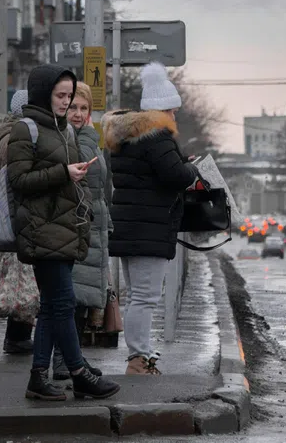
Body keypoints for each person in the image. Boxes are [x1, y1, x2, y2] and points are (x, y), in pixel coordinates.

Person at [7, 64, 119, 401]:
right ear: (44, 93)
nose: (67, 103)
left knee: (54, 306)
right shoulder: (26, 130)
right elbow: (19, 182)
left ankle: (40, 376)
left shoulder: (63, 131)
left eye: (70, 96)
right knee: (63, 302)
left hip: (64, 228)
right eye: (61, 96)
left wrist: (76, 175)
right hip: (40, 229)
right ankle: (78, 371)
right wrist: (63, 173)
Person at [102, 62, 201, 375]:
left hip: (131, 225)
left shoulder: (127, 137)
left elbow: (150, 173)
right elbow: (176, 176)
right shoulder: (156, 137)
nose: (174, 117)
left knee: (136, 297)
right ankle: (138, 359)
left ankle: (139, 355)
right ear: (162, 111)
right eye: (171, 111)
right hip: (147, 228)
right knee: (145, 298)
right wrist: (192, 168)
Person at [52, 83, 113, 380]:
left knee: (81, 300)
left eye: (83, 108)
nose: (77, 113)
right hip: (74, 226)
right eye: (72, 106)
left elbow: (100, 188)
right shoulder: (73, 136)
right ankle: (64, 361)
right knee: (71, 298)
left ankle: (73, 358)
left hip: (92, 226)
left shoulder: (87, 135)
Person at [0, 90, 39, 354]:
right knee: (22, 280)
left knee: (22, 279)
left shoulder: (7, 135)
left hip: (13, 214)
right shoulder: (13, 139)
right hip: (17, 215)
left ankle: (19, 335)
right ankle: (17, 337)